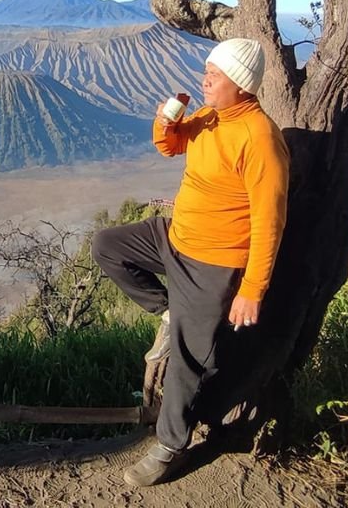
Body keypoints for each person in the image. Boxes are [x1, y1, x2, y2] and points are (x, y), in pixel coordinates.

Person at [90, 37, 290, 487]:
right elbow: (170, 146)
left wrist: (252, 289)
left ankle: (170, 446)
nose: (205, 80)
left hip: (212, 264)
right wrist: (168, 118)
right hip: (174, 238)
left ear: (240, 84)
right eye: (206, 72)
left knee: (187, 359)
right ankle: (165, 310)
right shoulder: (209, 116)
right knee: (107, 245)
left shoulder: (259, 139)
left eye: (214, 76)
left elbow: (270, 222)